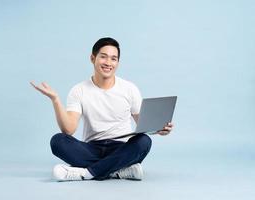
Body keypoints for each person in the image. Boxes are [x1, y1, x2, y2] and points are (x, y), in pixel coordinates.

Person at [30, 37, 173, 181]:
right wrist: (55, 100)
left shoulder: (129, 89)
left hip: (121, 148)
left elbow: (143, 125)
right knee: (58, 141)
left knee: (144, 141)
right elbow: (69, 130)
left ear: (118, 62)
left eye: (113, 59)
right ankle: (118, 171)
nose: (108, 63)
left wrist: (159, 129)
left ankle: (86, 173)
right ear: (93, 58)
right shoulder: (78, 90)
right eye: (103, 57)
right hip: (91, 148)